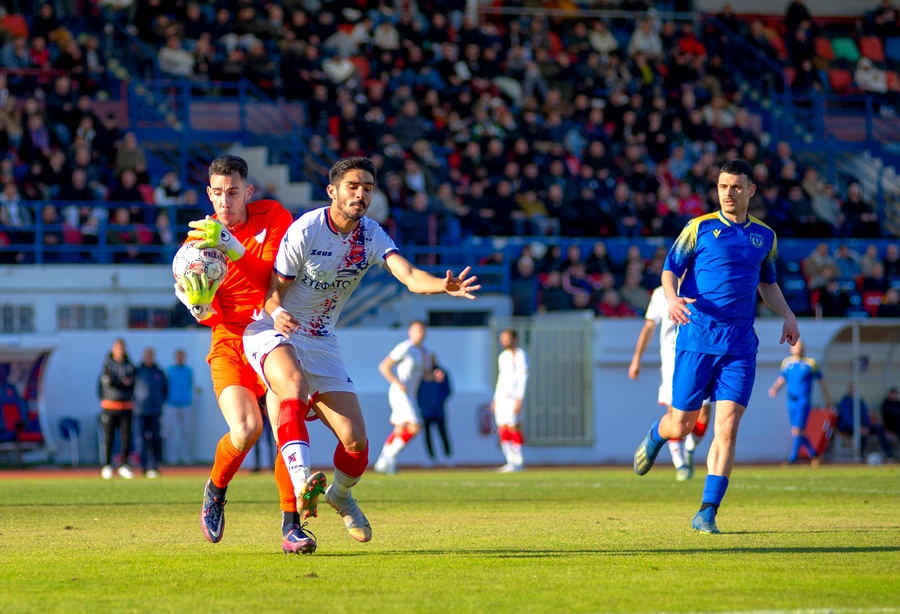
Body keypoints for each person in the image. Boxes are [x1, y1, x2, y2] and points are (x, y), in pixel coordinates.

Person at [242, 157, 480, 548]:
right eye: (352, 186)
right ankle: (302, 484)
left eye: (367, 188)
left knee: (356, 442)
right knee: (293, 387)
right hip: (274, 329)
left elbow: (408, 276)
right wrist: (279, 313)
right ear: (332, 191)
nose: (361, 194)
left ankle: (339, 496)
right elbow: (272, 292)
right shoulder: (306, 229)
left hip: (321, 339)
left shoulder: (371, 235)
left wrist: (442, 285)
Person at [632, 159, 800, 534]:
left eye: (736, 186)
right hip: (696, 339)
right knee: (682, 424)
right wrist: (671, 298)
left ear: (751, 190)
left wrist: (788, 315)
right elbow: (670, 269)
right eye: (723, 186)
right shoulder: (699, 228)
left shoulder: (765, 237)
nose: (728, 193)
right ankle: (658, 434)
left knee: (727, 428)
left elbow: (767, 283)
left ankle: (707, 511)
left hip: (740, 347)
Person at [173, 154, 315, 555]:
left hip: (271, 333)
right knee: (247, 429)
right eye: (218, 193)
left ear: (248, 192)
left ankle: (292, 526)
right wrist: (201, 309)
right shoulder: (195, 245)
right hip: (230, 341)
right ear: (209, 194)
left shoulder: (273, 216)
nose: (225, 201)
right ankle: (216, 490)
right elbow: (208, 311)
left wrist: (230, 245)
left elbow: (273, 280)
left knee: (285, 421)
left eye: (233, 192)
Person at [629, 286, 712, 481]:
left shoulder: (701, 285)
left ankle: (689, 448)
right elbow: (649, 326)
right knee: (674, 415)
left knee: (704, 414)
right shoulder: (660, 293)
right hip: (672, 364)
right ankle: (680, 464)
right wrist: (636, 359)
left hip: (700, 360)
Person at [373, 321, 431, 475]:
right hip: (400, 393)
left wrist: (435, 376)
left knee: (400, 429)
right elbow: (384, 366)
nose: (420, 333)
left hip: (411, 395)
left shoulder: (424, 353)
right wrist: (398, 382)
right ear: (410, 332)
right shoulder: (405, 347)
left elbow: (426, 375)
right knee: (415, 426)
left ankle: (382, 462)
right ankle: (389, 458)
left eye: (422, 330)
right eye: (417, 330)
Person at [768, 340, 830, 467]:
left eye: (801, 346)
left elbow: (821, 382)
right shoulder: (787, 363)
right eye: (796, 346)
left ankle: (792, 459)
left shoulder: (810, 363)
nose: (798, 349)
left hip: (803, 400)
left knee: (797, 430)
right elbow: (782, 379)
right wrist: (775, 389)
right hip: (791, 401)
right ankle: (814, 455)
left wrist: (827, 398)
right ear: (791, 349)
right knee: (797, 432)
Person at [98, 338, 136, 480]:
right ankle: (107, 465)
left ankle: (124, 465)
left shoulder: (129, 365)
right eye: (118, 348)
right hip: (110, 405)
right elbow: (109, 382)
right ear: (113, 349)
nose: (120, 351)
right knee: (109, 437)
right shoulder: (107, 366)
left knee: (126, 438)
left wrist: (122, 383)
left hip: (126, 406)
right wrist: (122, 382)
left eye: (122, 348)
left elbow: (132, 383)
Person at [492, 329, 529, 472]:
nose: (503, 341)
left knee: (514, 426)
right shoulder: (503, 356)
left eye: (506, 338)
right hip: (501, 398)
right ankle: (510, 461)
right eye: (502, 338)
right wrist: (495, 398)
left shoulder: (520, 355)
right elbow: (501, 378)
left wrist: (520, 398)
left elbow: (523, 378)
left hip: (513, 398)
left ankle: (519, 460)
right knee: (502, 427)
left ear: (514, 339)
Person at [836, 382, 895, 461]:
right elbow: (847, 418)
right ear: (849, 390)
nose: (853, 391)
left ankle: (889, 453)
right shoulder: (844, 402)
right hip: (848, 427)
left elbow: (865, 415)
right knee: (860, 435)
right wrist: (858, 428)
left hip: (862, 426)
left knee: (878, 428)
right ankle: (860, 454)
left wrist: (866, 426)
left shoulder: (860, 401)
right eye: (852, 389)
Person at [133, 347, 168, 478]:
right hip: (140, 411)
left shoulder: (159, 372)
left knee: (156, 439)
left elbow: (165, 389)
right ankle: (143, 466)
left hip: (155, 411)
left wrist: (160, 402)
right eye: (147, 355)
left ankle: (154, 465)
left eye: (151, 355)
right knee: (140, 439)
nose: (149, 357)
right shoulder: (137, 371)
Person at [418, 357, 453, 467]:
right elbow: (417, 392)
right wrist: (422, 405)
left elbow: (447, 390)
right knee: (427, 435)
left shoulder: (442, 374)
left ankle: (447, 457)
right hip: (425, 411)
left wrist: (438, 402)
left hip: (438, 410)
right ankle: (431, 458)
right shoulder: (421, 375)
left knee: (443, 433)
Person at [164, 349, 194, 465]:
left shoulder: (189, 371)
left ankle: (184, 455)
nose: (180, 358)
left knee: (186, 431)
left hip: (185, 404)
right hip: (171, 404)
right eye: (178, 356)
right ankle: (170, 455)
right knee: (169, 431)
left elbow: (190, 384)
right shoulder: (170, 370)